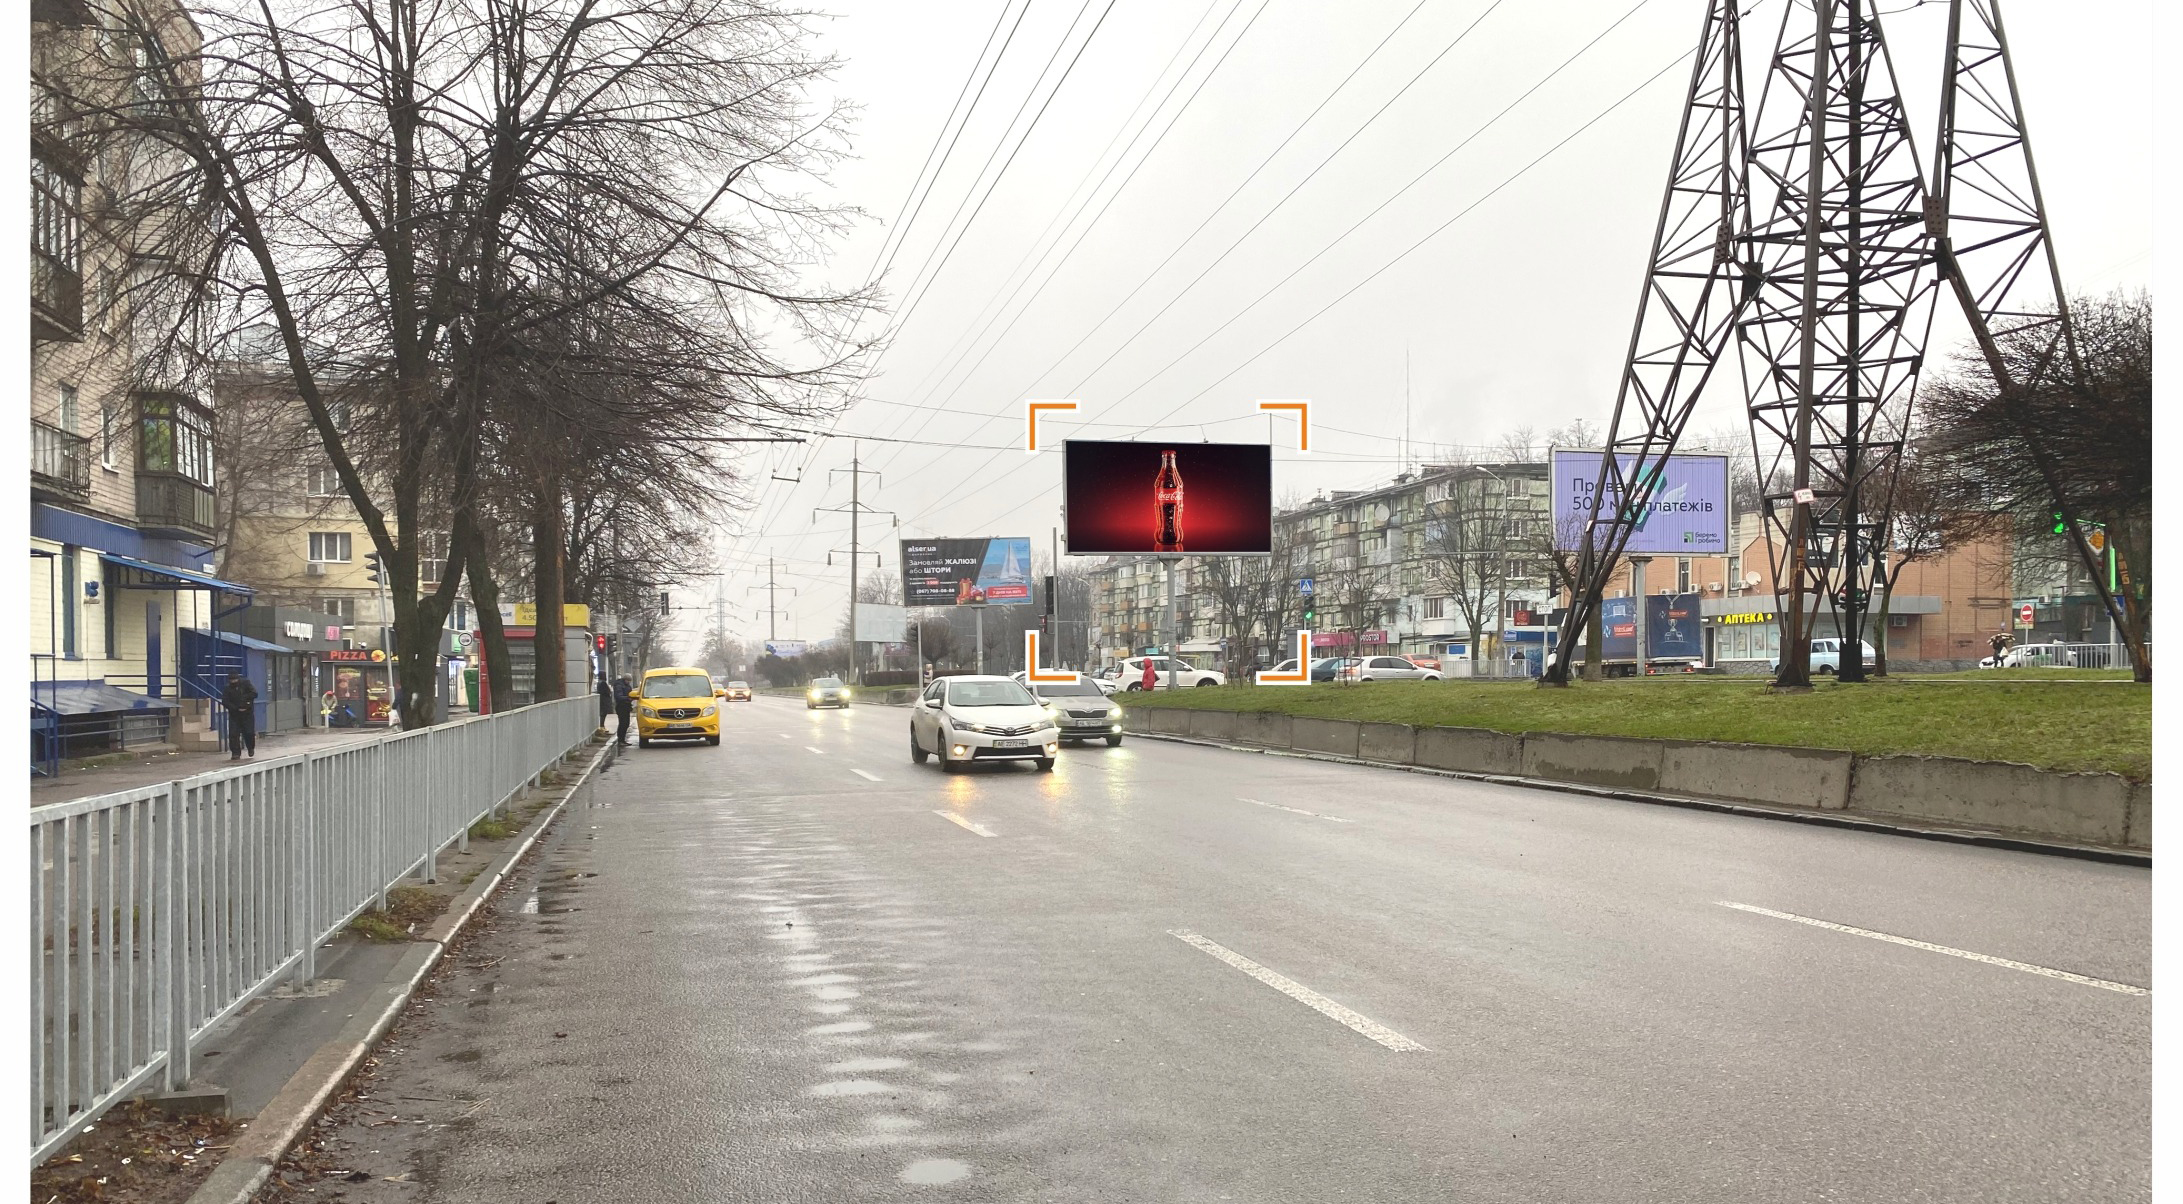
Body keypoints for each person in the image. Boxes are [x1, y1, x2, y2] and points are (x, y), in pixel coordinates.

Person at [221, 671, 259, 761]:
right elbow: (225, 701)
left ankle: (250, 747)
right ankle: (235, 753)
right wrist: (235, 708)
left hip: (247, 713)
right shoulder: (227, 689)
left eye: (235, 680)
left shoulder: (246, 684)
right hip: (234, 714)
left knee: (249, 732)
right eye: (231, 680)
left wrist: (245, 701)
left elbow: (254, 694)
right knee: (233, 734)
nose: (233, 682)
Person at [612, 675, 635, 746]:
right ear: (625, 679)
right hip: (621, 706)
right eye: (628, 680)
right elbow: (618, 696)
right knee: (623, 723)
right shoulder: (619, 685)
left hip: (626, 706)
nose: (629, 682)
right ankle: (620, 740)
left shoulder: (626, 686)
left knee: (626, 723)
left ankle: (622, 739)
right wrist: (628, 698)